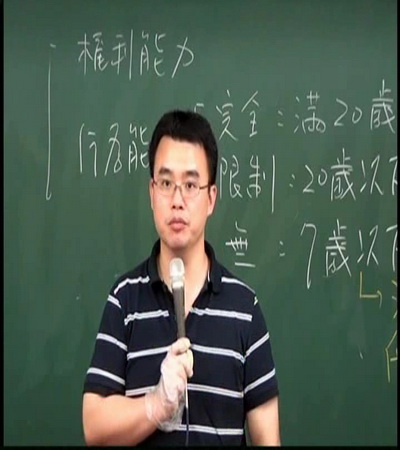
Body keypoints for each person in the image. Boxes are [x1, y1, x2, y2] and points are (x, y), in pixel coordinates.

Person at [82, 110, 280, 446]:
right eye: (166, 183)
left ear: (211, 198)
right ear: (151, 192)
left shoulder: (245, 308)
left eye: (190, 185)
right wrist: (156, 404)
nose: (177, 201)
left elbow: (268, 438)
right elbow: (94, 426)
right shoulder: (124, 299)